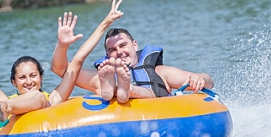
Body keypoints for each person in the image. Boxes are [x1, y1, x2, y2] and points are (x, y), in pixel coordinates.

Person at [0, 0, 124, 127]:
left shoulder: (54, 98)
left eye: (33, 75)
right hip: (5, 106)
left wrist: (106, 22)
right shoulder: (3, 98)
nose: (28, 81)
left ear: (41, 77)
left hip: (7, 107)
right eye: (22, 77)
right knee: (5, 103)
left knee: (36, 98)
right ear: (14, 82)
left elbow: (78, 59)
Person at [51, 23, 214, 104]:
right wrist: (62, 45)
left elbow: (209, 81)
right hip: (124, 125)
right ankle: (117, 88)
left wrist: (198, 77)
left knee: (146, 93)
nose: (119, 51)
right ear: (107, 56)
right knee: (104, 83)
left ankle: (125, 88)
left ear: (134, 45)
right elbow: (63, 70)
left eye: (123, 45)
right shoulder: (102, 75)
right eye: (112, 50)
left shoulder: (160, 72)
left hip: (160, 118)